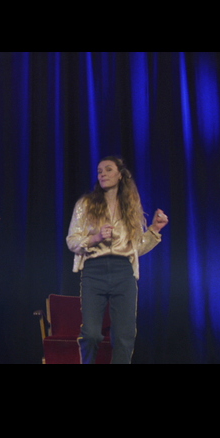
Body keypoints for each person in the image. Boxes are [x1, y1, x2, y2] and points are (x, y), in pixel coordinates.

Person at [66, 156, 168, 364]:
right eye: (99, 171)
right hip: (94, 271)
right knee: (92, 334)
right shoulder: (85, 204)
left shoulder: (130, 206)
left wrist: (155, 229)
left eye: (108, 170)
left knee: (124, 336)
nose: (102, 174)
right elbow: (72, 241)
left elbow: (136, 248)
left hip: (123, 271)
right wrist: (95, 238)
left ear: (120, 175)